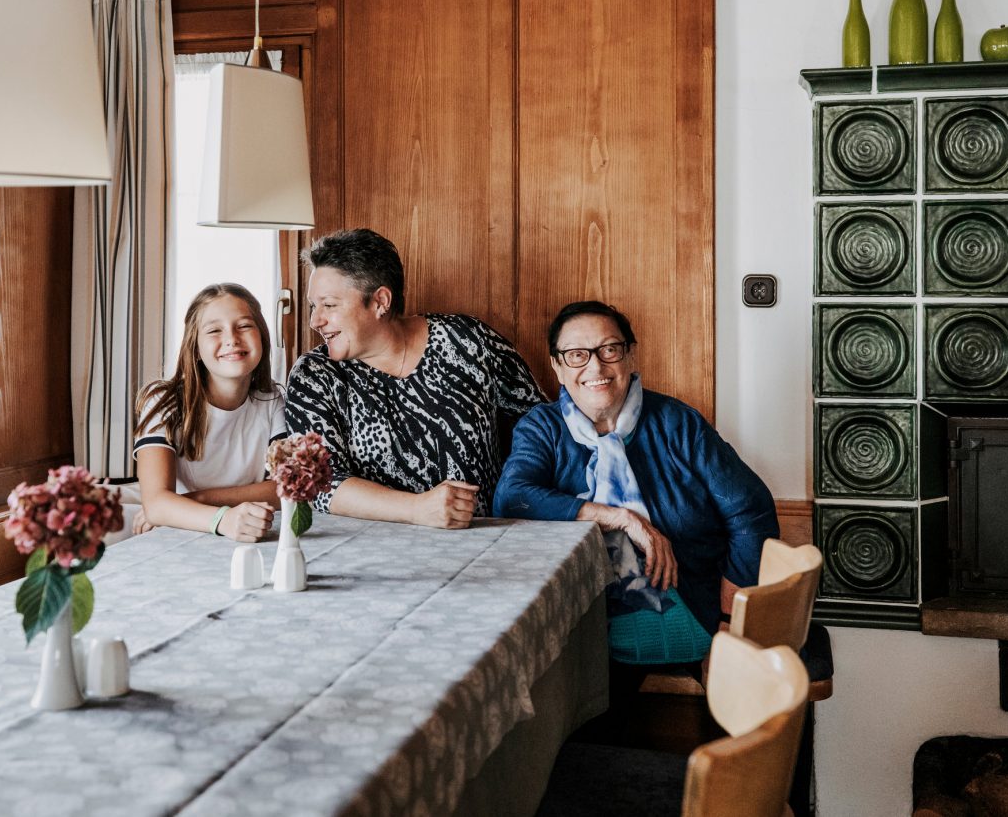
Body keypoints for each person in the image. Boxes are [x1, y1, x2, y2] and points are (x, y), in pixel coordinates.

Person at [494, 300, 778, 669]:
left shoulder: (677, 423)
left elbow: (751, 512)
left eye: (609, 349)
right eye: (577, 355)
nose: (596, 366)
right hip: (575, 623)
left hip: (691, 612)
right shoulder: (542, 428)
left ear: (629, 356)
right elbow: (513, 499)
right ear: (558, 367)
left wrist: (730, 623)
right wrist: (621, 518)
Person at [284, 228, 544, 528]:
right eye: (313, 306)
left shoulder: (468, 340)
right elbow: (318, 482)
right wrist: (416, 508)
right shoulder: (314, 375)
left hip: (486, 536)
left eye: (329, 305)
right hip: (372, 546)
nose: (315, 321)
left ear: (380, 301)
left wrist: (521, 492)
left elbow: (541, 425)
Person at [131, 283, 285, 543]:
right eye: (214, 330)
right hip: (181, 526)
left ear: (262, 337)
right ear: (195, 348)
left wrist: (194, 499)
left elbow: (283, 488)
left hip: (236, 522)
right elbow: (156, 504)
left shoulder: (272, 400)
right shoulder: (163, 400)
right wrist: (223, 519)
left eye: (244, 326)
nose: (232, 339)